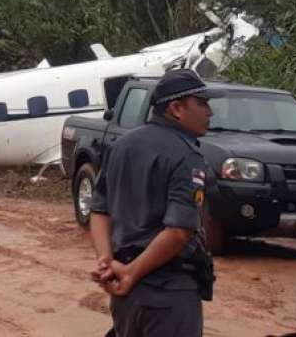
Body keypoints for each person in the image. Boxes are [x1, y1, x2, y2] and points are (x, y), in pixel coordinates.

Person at [90, 69, 220, 337]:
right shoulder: (186, 156)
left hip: (126, 296)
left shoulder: (122, 146)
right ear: (176, 109)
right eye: (202, 103)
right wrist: (130, 273)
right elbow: (178, 231)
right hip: (168, 292)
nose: (210, 112)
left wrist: (106, 262)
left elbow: (99, 210)